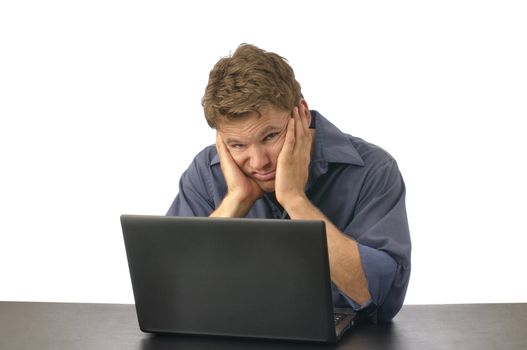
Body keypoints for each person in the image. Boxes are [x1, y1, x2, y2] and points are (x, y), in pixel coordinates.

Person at [167, 44, 411, 323]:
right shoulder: (205, 172)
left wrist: (295, 200)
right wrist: (235, 200)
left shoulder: (374, 170)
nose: (259, 162)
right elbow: (170, 291)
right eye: (237, 144)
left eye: (270, 136)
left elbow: (383, 299)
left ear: (302, 114)